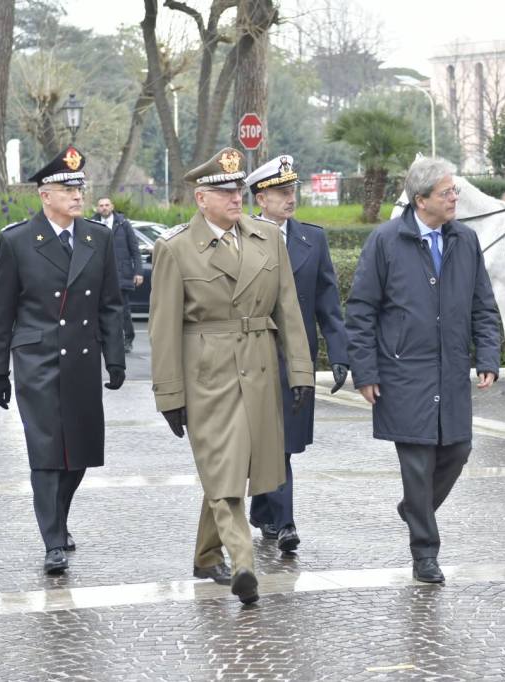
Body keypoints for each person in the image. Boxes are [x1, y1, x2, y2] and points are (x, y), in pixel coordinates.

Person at [148, 147, 314, 605]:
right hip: (208, 371)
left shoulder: (267, 238)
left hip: (259, 368)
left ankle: (206, 556)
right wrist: (169, 394)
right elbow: (162, 330)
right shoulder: (176, 248)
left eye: (238, 189)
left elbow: (289, 310)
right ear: (201, 199)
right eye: (223, 192)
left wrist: (300, 370)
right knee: (224, 464)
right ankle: (242, 562)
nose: (235, 197)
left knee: (240, 465)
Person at [345, 156, 502, 584]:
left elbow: (483, 305)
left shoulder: (466, 240)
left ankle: (415, 507)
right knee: (416, 463)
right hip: (402, 374)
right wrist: (366, 371)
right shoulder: (385, 241)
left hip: (451, 371)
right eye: (447, 192)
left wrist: (488, 356)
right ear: (421, 200)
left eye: (454, 191)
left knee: (458, 450)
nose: (455, 198)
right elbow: (360, 311)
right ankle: (425, 554)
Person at [0, 146, 126, 575]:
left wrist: (115, 359)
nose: (77, 194)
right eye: (67, 187)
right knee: (46, 452)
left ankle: (58, 518)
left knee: (79, 452)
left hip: (83, 358)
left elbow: (110, 304)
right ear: (45, 195)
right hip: (38, 359)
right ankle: (52, 541)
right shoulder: (17, 241)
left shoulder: (97, 238)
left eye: (80, 186)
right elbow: (2, 310)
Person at [242, 154, 349, 553]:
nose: (291, 199)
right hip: (252, 356)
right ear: (260, 198)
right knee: (267, 440)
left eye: (293, 191)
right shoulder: (242, 236)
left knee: (283, 441)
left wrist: (339, 353)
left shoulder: (311, 238)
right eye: (281, 192)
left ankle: (267, 510)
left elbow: (327, 300)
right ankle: (283, 521)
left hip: (296, 357)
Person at [91, 197, 143, 352]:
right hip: (100, 275)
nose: (104, 208)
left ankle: (128, 339)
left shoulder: (123, 224)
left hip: (122, 274)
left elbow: (135, 250)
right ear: (97, 208)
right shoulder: (92, 225)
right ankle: (104, 340)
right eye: (101, 206)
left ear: (112, 206)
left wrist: (138, 272)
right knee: (100, 310)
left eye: (107, 205)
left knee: (123, 311)